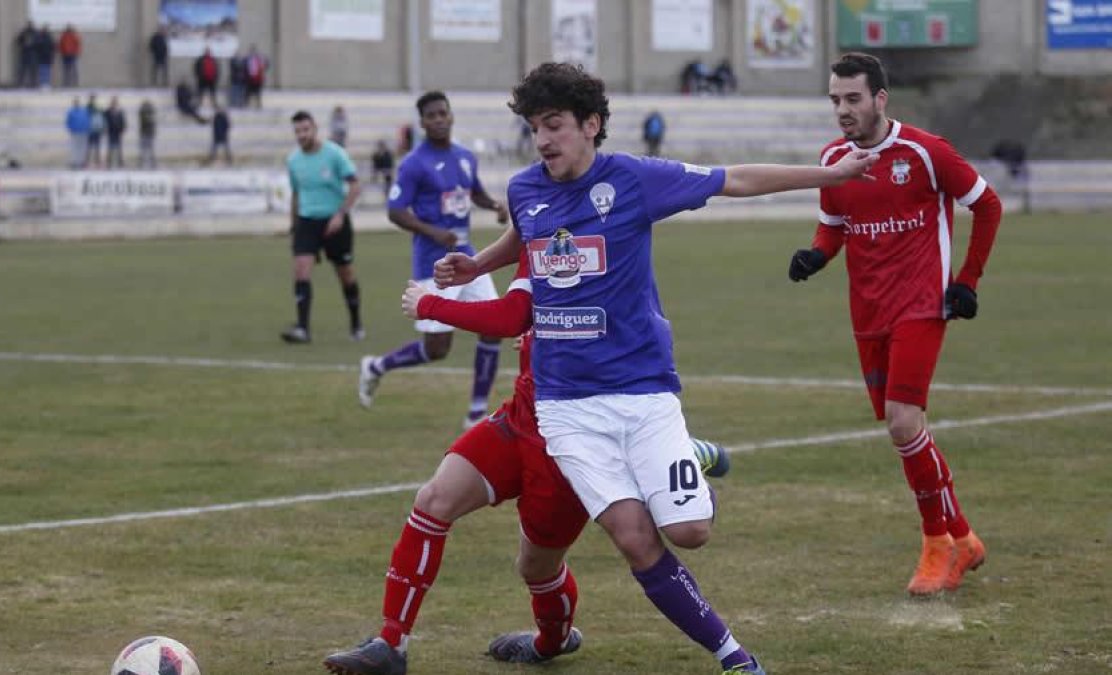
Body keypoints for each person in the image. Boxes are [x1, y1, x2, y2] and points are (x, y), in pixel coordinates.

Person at [432, 62, 877, 674]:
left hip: (643, 391)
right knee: (634, 537)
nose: (543, 140)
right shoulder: (525, 188)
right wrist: (476, 267)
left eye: (554, 125)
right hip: (566, 406)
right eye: (535, 127)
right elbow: (523, 238)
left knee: (690, 530)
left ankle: (687, 458)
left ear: (591, 125)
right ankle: (737, 659)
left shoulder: (636, 180)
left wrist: (834, 172)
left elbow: (735, 179)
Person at [324, 254, 732, 675]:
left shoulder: (605, 247)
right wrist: (487, 275)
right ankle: (391, 644)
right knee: (433, 500)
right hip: (518, 418)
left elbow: (513, 317)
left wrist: (431, 305)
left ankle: (550, 641)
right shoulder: (540, 233)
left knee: (536, 566)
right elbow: (521, 305)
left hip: (568, 446)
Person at [786, 52, 1001, 597]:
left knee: (905, 423)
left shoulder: (925, 153)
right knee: (907, 434)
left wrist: (967, 280)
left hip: (922, 306)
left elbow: (989, 204)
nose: (842, 109)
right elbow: (833, 227)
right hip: (867, 311)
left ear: (881, 99)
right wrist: (816, 255)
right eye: (835, 99)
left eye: (853, 98)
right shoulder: (834, 159)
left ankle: (937, 545)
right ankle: (964, 537)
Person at [357, 91, 509, 429]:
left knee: (494, 327)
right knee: (438, 347)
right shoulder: (414, 163)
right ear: (422, 122)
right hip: (433, 265)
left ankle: (476, 414)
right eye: (431, 115)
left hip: (469, 260)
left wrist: (494, 205)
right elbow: (396, 211)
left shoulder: (466, 157)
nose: (438, 119)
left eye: (443, 113)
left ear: (451, 116)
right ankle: (377, 367)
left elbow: (475, 192)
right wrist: (434, 232)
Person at [281, 111, 363, 344]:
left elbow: (355, 185)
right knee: (301, 270)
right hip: (307, 221)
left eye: (305, 129)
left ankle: (356, 323)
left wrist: (340, 214)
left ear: (315, 128)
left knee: (345, 273)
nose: (302, 135)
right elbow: (296, 193)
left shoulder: (335, 154)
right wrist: (293, 225)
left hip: (334, 221)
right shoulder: (293, 160)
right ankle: (302, 329)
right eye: (297, 131)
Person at [64, 97, 90, 169]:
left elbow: (87, 120)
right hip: (75, 132)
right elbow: (68, 122)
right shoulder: (71, 112)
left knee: (83, 147)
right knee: (74, 147)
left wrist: (87, 128)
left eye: (77, 102)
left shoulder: (84, 111)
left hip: (83, 132)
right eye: (75, 102)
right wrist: (71, 129)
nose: (76, 103)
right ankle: (74, 162)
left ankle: (81, 162)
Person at [104, 96, 127, 168]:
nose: (114, 104)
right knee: (110, 148)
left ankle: (120, 162)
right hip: (111, 131)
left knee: (119, 148)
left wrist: (123, 129)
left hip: (118, 132)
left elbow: (123, 121)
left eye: (115, 103)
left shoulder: (120, 112)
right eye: (113, 103)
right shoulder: (108, 112)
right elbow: (105, 120)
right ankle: (109, 161)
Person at [15, 21, 37, 88]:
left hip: (31, 53)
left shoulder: (34, 33)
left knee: (32, 69)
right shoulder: (24, 33)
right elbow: (18, 40)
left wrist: (33, 46)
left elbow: (38, 42)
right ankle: (21, 83)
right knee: (22, 69)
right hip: (25, 52)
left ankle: (33, 83)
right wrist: (23, 45)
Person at [84, 94, 104, 168]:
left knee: (97, 147)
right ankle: (87, 162)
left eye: (94, 98)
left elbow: (101, 118)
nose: (93, 100)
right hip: (90, 130)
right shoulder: (88, 107)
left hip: (97, 130)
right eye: (92, 98)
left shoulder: (98, 107)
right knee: (89, 147)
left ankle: (97, 162)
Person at [138, 99, 158, 169]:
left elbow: (152, 124)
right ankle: (143, 163)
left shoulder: (151, 113)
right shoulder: (142, 113)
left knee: (150, 149)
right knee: (144, 149)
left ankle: (152, 163)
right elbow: (144, 119)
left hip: (149, 133)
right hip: (144, 133)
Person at [35, 24, 55, 88]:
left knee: (46, 71)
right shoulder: (40, 38)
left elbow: (53, 47)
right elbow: (37, 47)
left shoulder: (49, 38)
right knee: (42, 71)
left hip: (47, 57)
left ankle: (46, 83)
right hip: (42, 57)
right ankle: (42, 83)